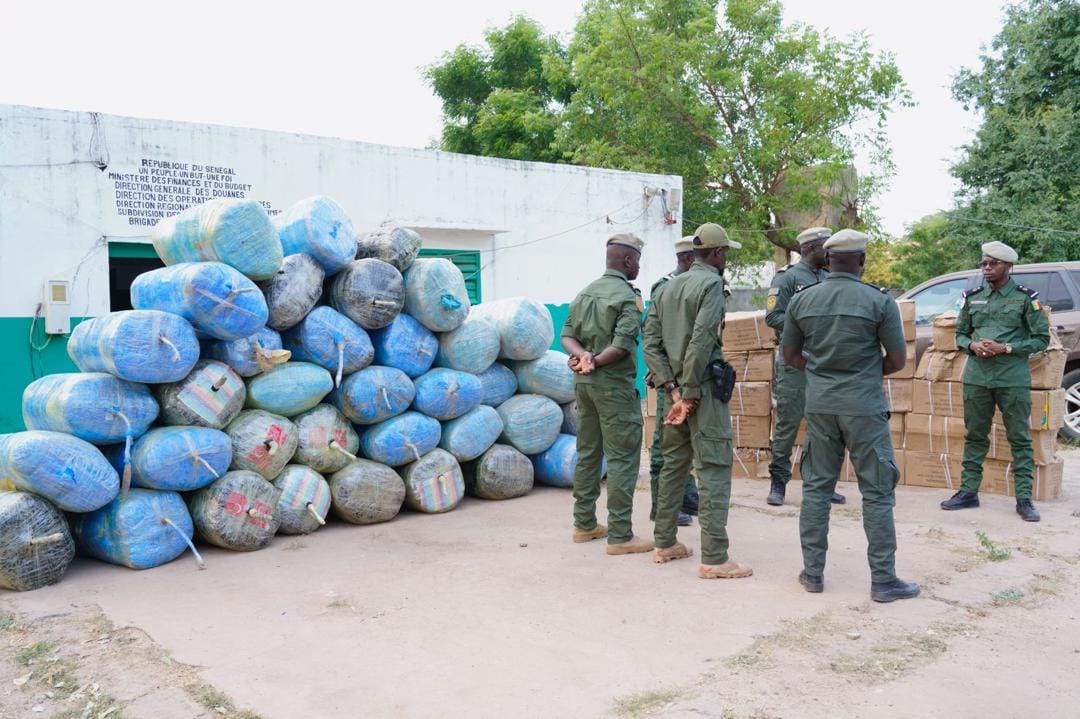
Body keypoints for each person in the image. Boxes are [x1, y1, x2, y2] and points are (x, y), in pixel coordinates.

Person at [782, 229, 918, 603]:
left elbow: (790, 356)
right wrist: (865, 372)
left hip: (821, 405)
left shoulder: (803, 299)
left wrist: (822, 370)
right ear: (862, 261)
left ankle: (812, 574)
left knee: (816, 489)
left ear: (828, 260)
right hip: (864, 407)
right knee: (876, 492)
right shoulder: (879, 301)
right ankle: (884, 581)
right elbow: (898, 359)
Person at [643, 222, 752, 579]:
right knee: (714, 468)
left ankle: (664, 542)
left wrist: (672, 390)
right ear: (718, 253)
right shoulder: (711, 284)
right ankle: (716, 558)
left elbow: (651, 345)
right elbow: (703, 340)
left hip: (675, 393)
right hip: (701, 393)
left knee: (674, 466)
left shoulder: (668, 287)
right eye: (726, 254)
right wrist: (689, 393)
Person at [940, 241, 1051, 521]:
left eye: (993, 264)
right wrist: (972, 346)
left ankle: (1023, 498)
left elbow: (1041, 339)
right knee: (975, 435)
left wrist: (1007, 348)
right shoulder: (972, 296)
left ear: (1008, 266)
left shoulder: (1027, 298)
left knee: (1018, 437)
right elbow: (961, 334)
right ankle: (968, 492)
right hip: (977, 377)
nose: (987, 268)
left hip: (1012, 378)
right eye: (984, 263)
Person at [561, 233, 653, 555]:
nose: (639, 267)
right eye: (637, 261)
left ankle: (584, 524)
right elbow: (622, 345)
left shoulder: (585, 292)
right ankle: (620, 535)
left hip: (583, 388)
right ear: (628, 260)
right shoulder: (626, 297)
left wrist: (582, 357)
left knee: (588, 453)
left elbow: (566, 335)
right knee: (622, 458)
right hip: (612, 387)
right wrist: (595, 361)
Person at [764, 226, 845, 507]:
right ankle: (778, 483)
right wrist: (805, 323)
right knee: (788, 423)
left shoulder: (828, 277)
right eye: (826, 246)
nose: (831, 252)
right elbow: (773, 316)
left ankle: (820, 484)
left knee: (823, 426)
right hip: (795, 362)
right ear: (810, 249)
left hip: (824, 362)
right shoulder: (788, 278)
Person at [647, 236, 700, 527]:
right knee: (664, 443)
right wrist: (666, 378)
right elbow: (656, 338)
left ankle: (687, 495)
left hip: (692, 374)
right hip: (670, 377)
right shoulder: (665, 287)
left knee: (688, 440)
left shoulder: (702, 284)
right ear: (689, 259)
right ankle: (661, 504)